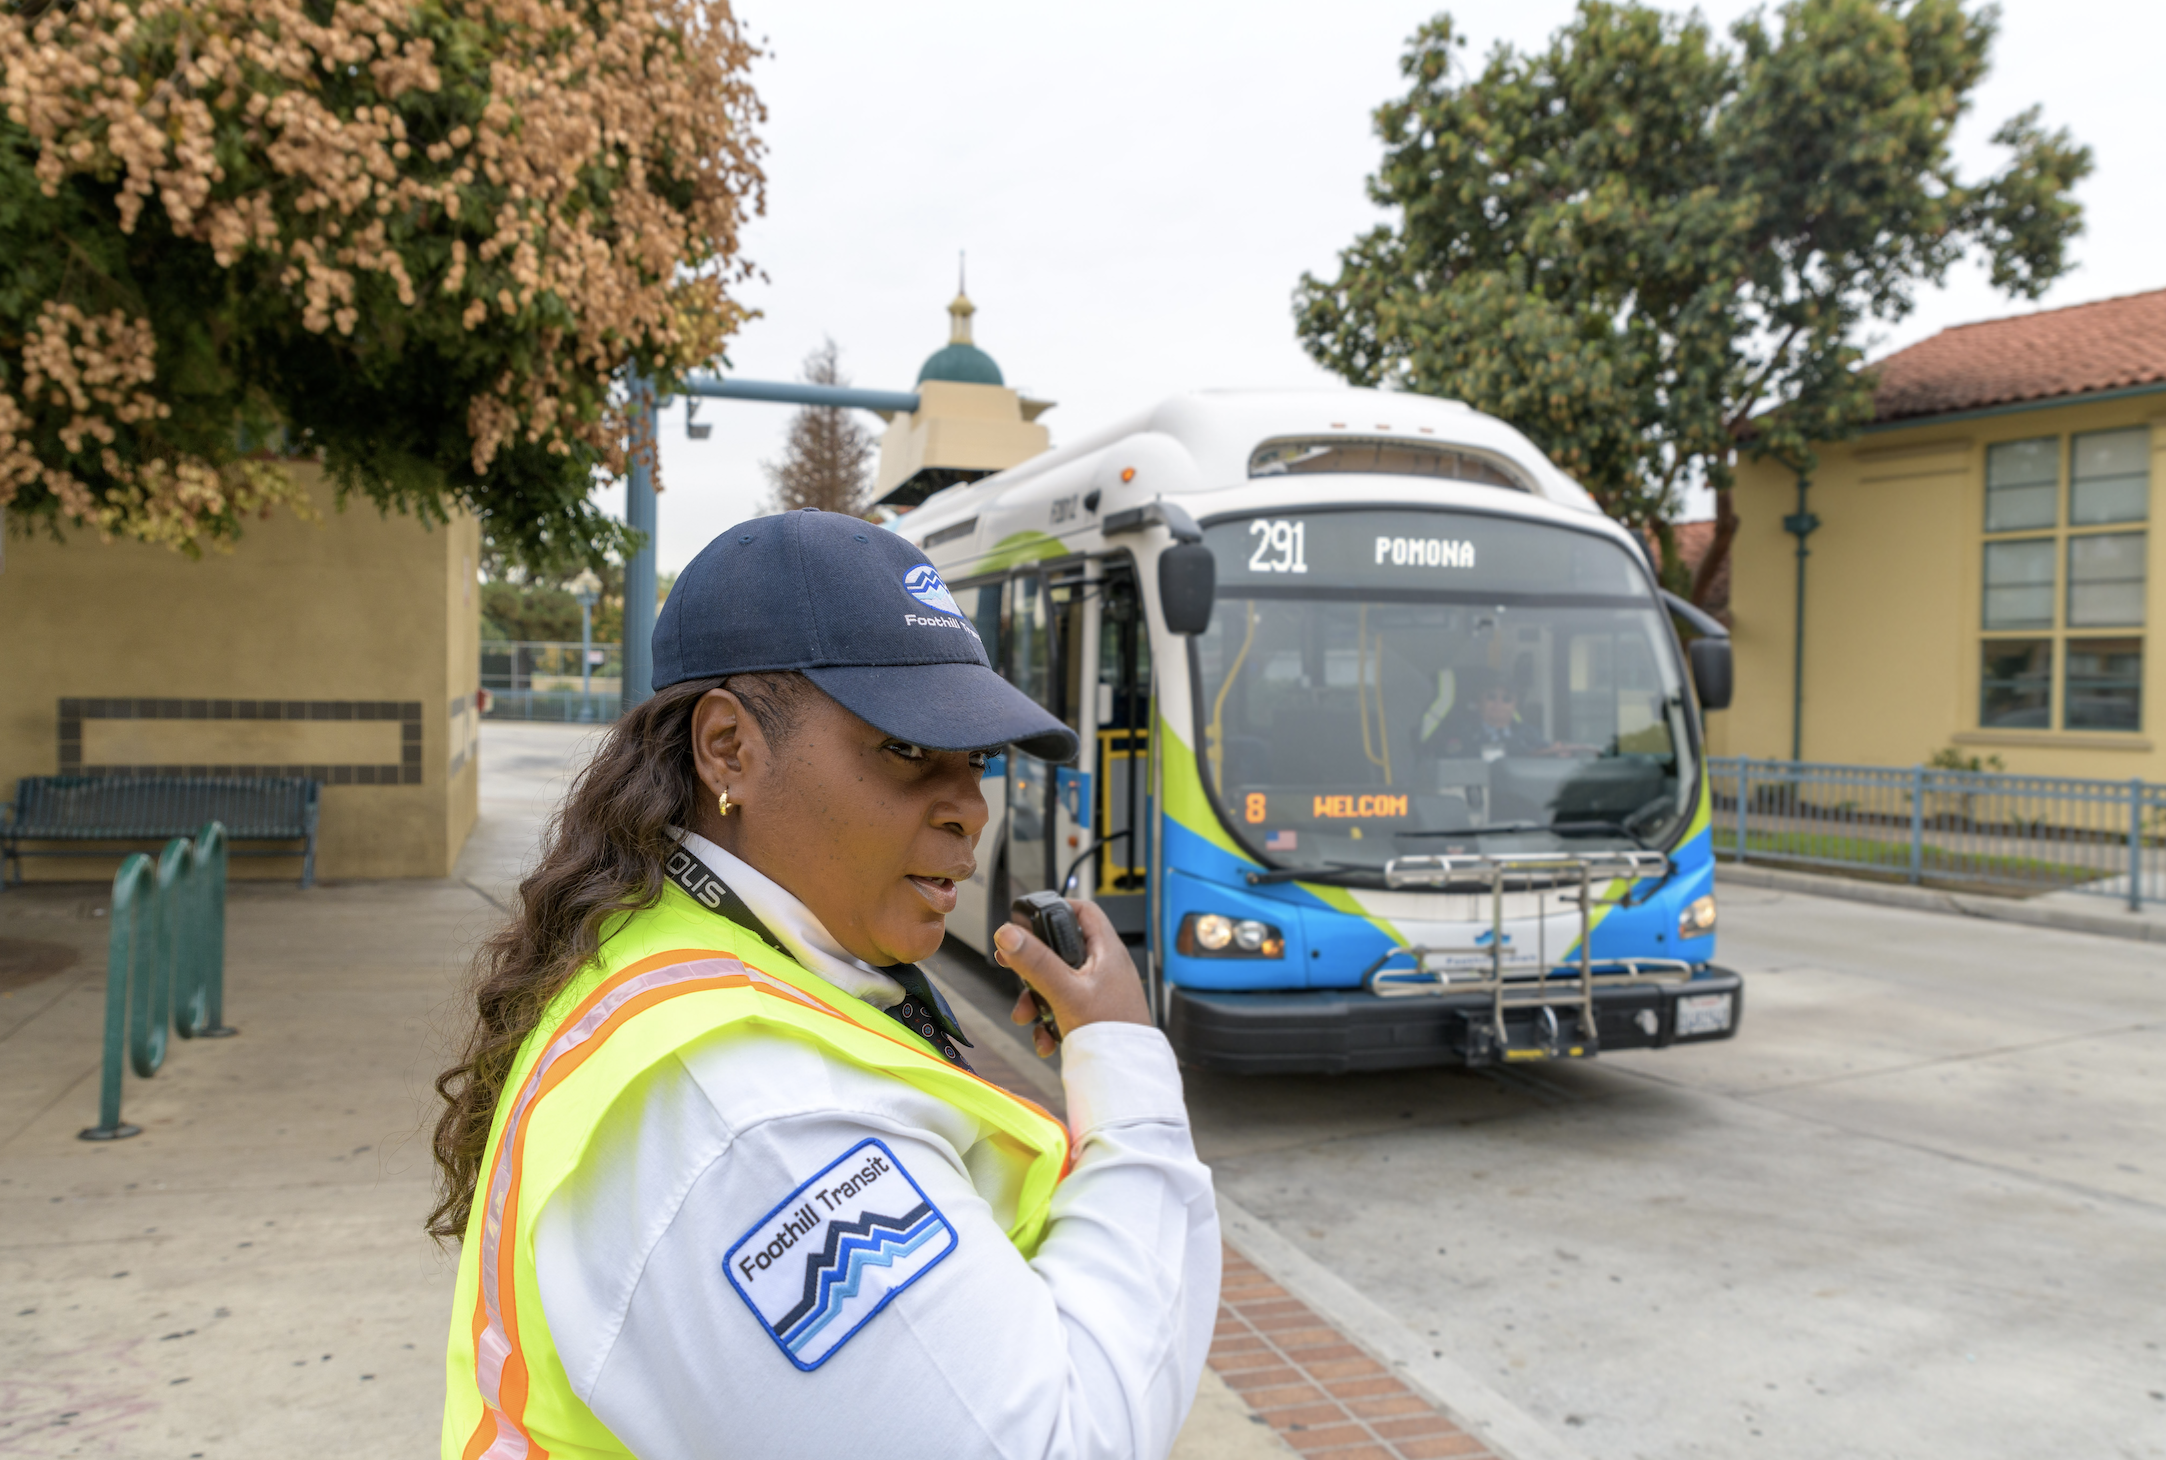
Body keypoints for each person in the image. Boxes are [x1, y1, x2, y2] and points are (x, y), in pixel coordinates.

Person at [430, 510, 1219, 1460]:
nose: (969, 807)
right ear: (728, 748)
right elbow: (1064, 1443)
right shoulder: (751, 1120)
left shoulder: (674, 951)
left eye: (978, 762)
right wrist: (1127, 1076)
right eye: (904, 749)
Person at [1423, 665, 1549, 758]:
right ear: (1478, 702)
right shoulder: (1459, 731)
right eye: (1491, 696)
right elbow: (1453, 758)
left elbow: (1545, 752)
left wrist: (1558, 751)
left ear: (1515, 704)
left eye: (1507, 699)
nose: (1499, 703)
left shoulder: (1529, 733)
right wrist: (1521, 752)